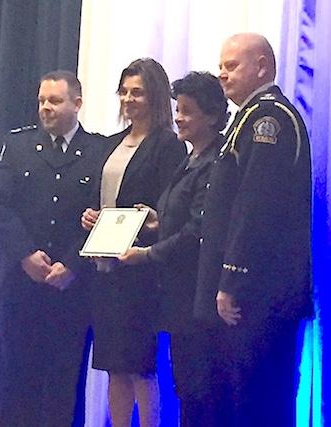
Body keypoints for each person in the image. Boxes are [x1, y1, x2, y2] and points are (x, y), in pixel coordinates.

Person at [194, 33, 314, 426]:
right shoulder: (246, 118)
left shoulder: (269, 119)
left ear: (262, 66)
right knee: (237, 396)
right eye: (221, 66)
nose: (222, 74)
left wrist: (232, 278)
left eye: (232, 65)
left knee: (259, 397)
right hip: (252, 291)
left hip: (261, 292)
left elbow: (255, 207)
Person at [0, 70, 104, 426]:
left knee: (64, 386)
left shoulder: (98, 151)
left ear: (77, 104)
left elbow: (104, 215)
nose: (45, 108)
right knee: (18, 383)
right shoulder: (18, 145)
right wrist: (25, 254)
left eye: (54, 101)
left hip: (72, 288)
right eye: (42, 101)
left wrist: (73, 264)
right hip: (22, 285)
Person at [117, 71, 229, 426]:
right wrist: (155, 219)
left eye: (187, 112)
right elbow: (180, 218)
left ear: (211, 116)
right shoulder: (191, 158)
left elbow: (198, 230)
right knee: (186, 388)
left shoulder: (215, 162)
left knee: (200, 392)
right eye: (177, 109)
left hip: (198, 297)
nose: (178, 117)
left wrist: (147, 254)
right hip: (179, 298)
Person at [79, 58, 186, 427]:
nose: (128, 99)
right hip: (105, 268)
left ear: (154, 96)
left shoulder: (168, 145)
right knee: (112, 365)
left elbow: (170, 207)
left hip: (139, 270)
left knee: (140, 364)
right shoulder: (110, 144)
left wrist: (148, 226)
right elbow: (102, 198)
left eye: (137, 92)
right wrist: (91, 217)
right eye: (124, 91)